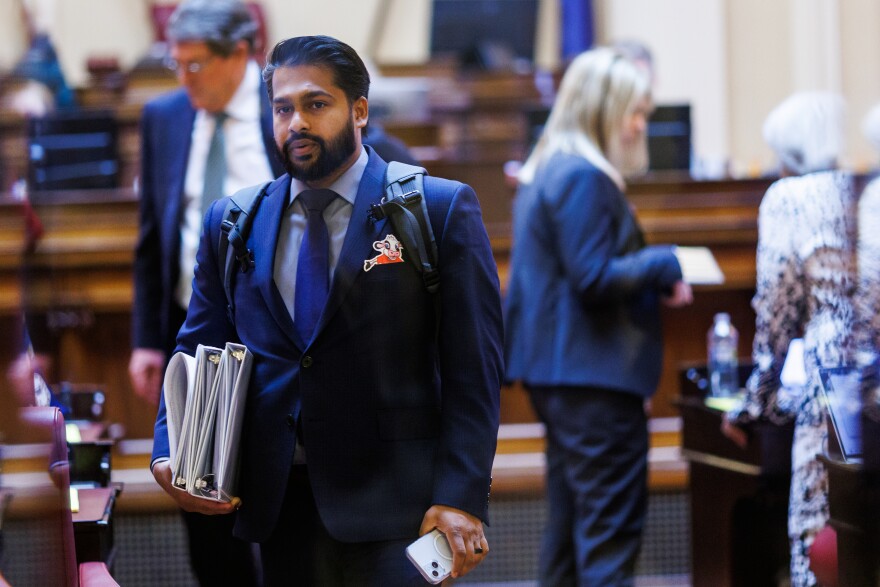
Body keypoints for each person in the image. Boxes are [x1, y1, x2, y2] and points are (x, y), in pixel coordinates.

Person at [150, 35, 503, 586]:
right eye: (282, 108)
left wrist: (461, 494)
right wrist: (169, 448)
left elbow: (474, 370)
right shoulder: (233, 220)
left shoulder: (436, 208)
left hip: (400, 507)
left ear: (359, 111)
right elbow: (197, 346)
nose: (297, 123)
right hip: (279, 505)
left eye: (316, 104)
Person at [504, 47, 693, 586]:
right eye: (634, 112)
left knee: (567, 536)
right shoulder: (583, 176)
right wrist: (665, 262)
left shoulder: (550, 168)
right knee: (609, 541)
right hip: (592, 382)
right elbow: (591, 276)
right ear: (603, 110)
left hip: (563, 378)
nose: (640, 126)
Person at [129, 1, 285, 584]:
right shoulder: (164, 117)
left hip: (279, 334)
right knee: (201, 491)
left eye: (195, 65)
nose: (184, 78)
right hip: (196, 333)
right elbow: (153, 237)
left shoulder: (285, 113)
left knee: (277, 491)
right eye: (177, 64)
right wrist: (147, 341)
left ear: (240, 54)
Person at [722, 91, 857, 587]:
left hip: (835, 392)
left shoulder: (789, 198)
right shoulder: (867, 189)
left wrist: (753, 405)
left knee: (819, 541)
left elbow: (777, 315)